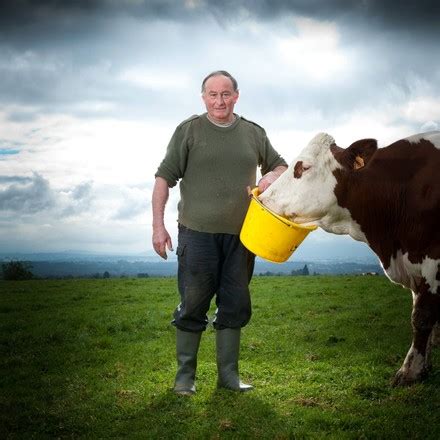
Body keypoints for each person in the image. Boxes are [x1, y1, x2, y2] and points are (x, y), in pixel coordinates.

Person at [152, 70, 287, 395]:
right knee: (194, 303)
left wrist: (269, 178)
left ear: (236, 96)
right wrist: (158, 226)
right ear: (204, 98)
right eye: (212, 95)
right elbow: (162, 178)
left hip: (244, 237)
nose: (219, 101)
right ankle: (185, 377)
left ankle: (228, 377)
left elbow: (280, 164)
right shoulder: (189, 130)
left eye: (225, 94)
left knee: (236, 303)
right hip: (197, 234)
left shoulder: (253, 133)